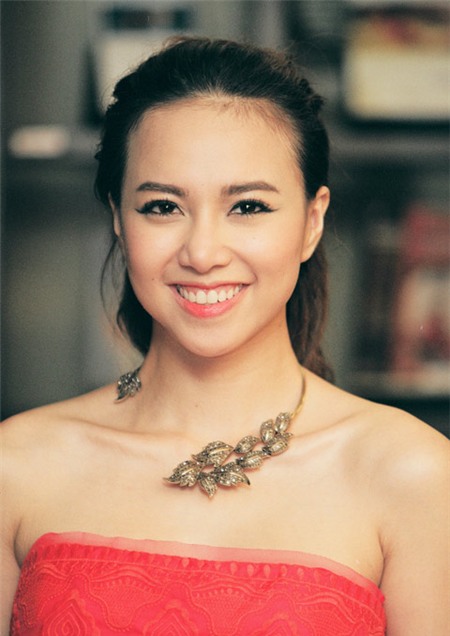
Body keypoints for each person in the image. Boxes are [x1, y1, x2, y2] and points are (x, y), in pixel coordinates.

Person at [1, 36, 448, 635]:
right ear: (118, 220)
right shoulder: (17, 466)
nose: (203, 253)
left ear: (311, 222)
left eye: (248, 207)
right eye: (163, 207)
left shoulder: (411, 475)